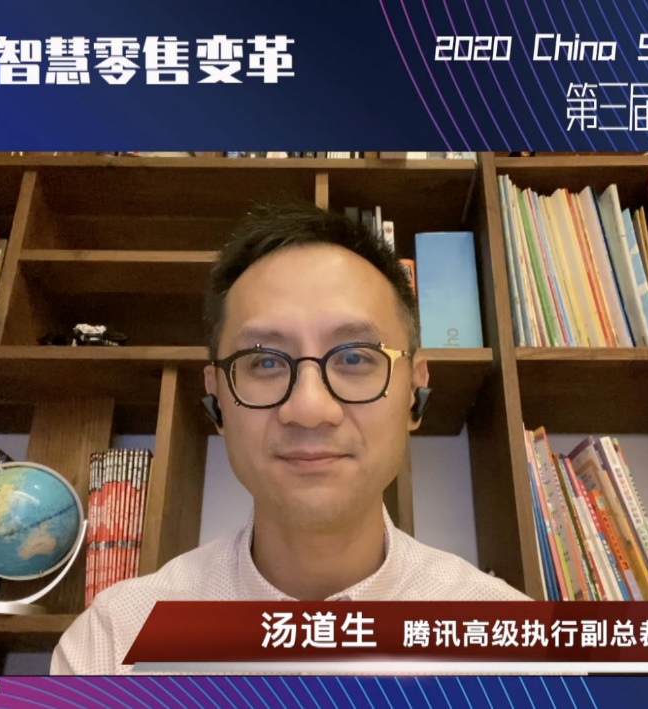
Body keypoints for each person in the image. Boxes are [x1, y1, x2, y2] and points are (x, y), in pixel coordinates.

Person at [51, 201, 529, 675]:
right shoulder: (114, 643)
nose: (309, 409)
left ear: (414, 390)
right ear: (216, 399)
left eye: (355, 357)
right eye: (264, 361)